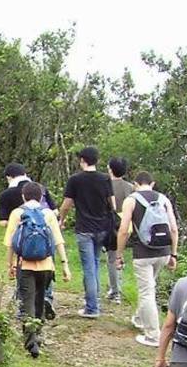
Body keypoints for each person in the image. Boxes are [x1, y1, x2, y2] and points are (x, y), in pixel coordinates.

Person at [3, 182, 71, 357]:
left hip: (24, 265)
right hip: (47, 265)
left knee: (27, 301)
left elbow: (10, 243)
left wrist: (10, 265)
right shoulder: (48, 214)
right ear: (41, 197)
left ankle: (31, 341)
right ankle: (38, 334)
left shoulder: (17, 213)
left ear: (23, 196)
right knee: (40, 299)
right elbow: (58, 240)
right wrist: (65, 265)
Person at [114, 171, 178, 347]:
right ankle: (139, 319)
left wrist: (119, 254)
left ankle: (153, 335)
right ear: (153, 183)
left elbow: (124, 229)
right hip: (163, 251)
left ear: (135, 184)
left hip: (143, 254)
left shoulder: (131, 200)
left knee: (147, 292)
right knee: (149, 288)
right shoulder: (164, 199)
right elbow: (173, 229)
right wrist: (173, 254)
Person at [59, 146, 116, 318]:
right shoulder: (105, 178)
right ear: (97, 161)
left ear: (82, 160)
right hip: (102, 228)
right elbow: (112, 204)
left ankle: (92, 308)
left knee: (89, 268)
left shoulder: (75, 180)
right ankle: (92, 301)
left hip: (84, 228)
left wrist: (61, 220)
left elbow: (67, 204)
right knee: (96, 264)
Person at [0, 164, 59, 320]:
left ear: (9, 177)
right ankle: (46, 298)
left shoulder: (8, 195)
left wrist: (10, 264)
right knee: (44, 276)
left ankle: (24, 307)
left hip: (24, 255)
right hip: (46, 254)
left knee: (24, 280)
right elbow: (56, 212)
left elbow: (4, 224)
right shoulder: (41, 190)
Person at [105, 157, 134, 302]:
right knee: (119, 255)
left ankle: (115, 291)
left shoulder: (106, 185)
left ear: (110, 168)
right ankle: (116, 286)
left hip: (112, 224)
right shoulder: (129, 187)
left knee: (112, 258)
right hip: (126, 226)